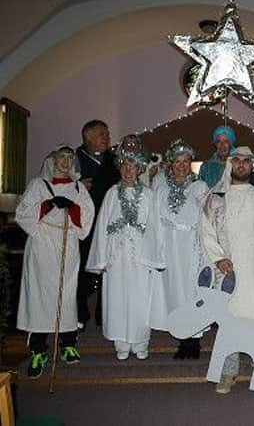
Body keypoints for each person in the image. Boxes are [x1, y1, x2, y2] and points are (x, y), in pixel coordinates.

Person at [201, 146, 254, 394]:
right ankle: (229, 372)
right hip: (229, 272)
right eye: (236, 160)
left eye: (245, 161)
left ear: (252, 165)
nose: (241, 165)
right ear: (230, 164)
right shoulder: (216, 196)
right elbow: (205, 232)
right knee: (230, 321)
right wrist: (218, 259)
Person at [16, 144, 95, 378]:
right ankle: (38, 349)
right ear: (53, 159)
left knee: (66, 293)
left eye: (70, 158)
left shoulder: (79, 187)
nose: (66, 161)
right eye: (62, 156)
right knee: (40, 296)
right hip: (42, 243)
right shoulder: (38, 185)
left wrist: (72, 209)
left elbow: (87, 217)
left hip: (67, 243)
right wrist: (48, 204)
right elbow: (23, 213)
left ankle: (68, 343)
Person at [86, 151, 161, 360]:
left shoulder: (148, 194)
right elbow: (102, 226)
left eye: (133, 167)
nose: (129, 171)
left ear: (139, 170)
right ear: (120, 168)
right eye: (125, 167)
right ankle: (121, 342)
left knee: (140, 298)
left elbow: (154, 226)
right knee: (117, 297)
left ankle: (140, 341)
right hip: (116, 256)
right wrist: (102, 258)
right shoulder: (112, 193)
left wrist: (152, 255)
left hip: (140, 256)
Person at [152, 139, 209, 359]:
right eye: (177, 161)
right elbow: (155, 218)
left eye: (186, 161)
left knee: (191, 291)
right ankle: (181, 337)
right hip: (169, 244)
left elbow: (206, 217)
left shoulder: (199, 185)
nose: (182, 165)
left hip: (191, 245)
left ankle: (193, 340)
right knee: (174, 291)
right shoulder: (160, 186)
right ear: (171, 163)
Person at [75, 120, 120, 330]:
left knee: (108, 271)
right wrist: (76, 186)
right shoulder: (74, 159)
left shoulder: (114, 159)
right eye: (103, 134)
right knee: (82, 270)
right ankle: (80, 315)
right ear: (88, 137)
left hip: (109, 223)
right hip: (83, 225)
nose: (107, 137)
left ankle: (104, 315)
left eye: (107, 134)